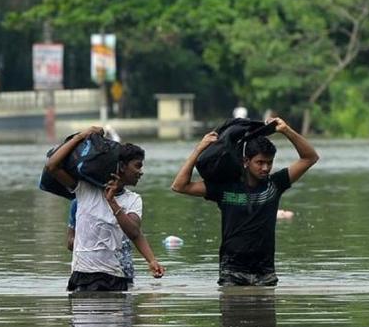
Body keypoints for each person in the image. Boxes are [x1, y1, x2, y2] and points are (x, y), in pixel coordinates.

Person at [170, 118, 319, 286]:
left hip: (265, 271)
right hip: (232, 270)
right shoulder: (225, 188)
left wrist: (286, 131)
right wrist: (199, 150)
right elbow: (179, 186)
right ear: (246, 162)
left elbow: (310, 158)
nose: (265, 168)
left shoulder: (274, 185)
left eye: (269, 163)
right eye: (260, 162)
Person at [47, 126, 165, 291]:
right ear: (122, 167)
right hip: (81, 275)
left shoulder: (133, 200)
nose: (141, 172)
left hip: (113, 276)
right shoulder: (85, 189)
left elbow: (134, 233)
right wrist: (79, 137)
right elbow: (52, 167)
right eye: (137, 166)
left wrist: (152, 261)